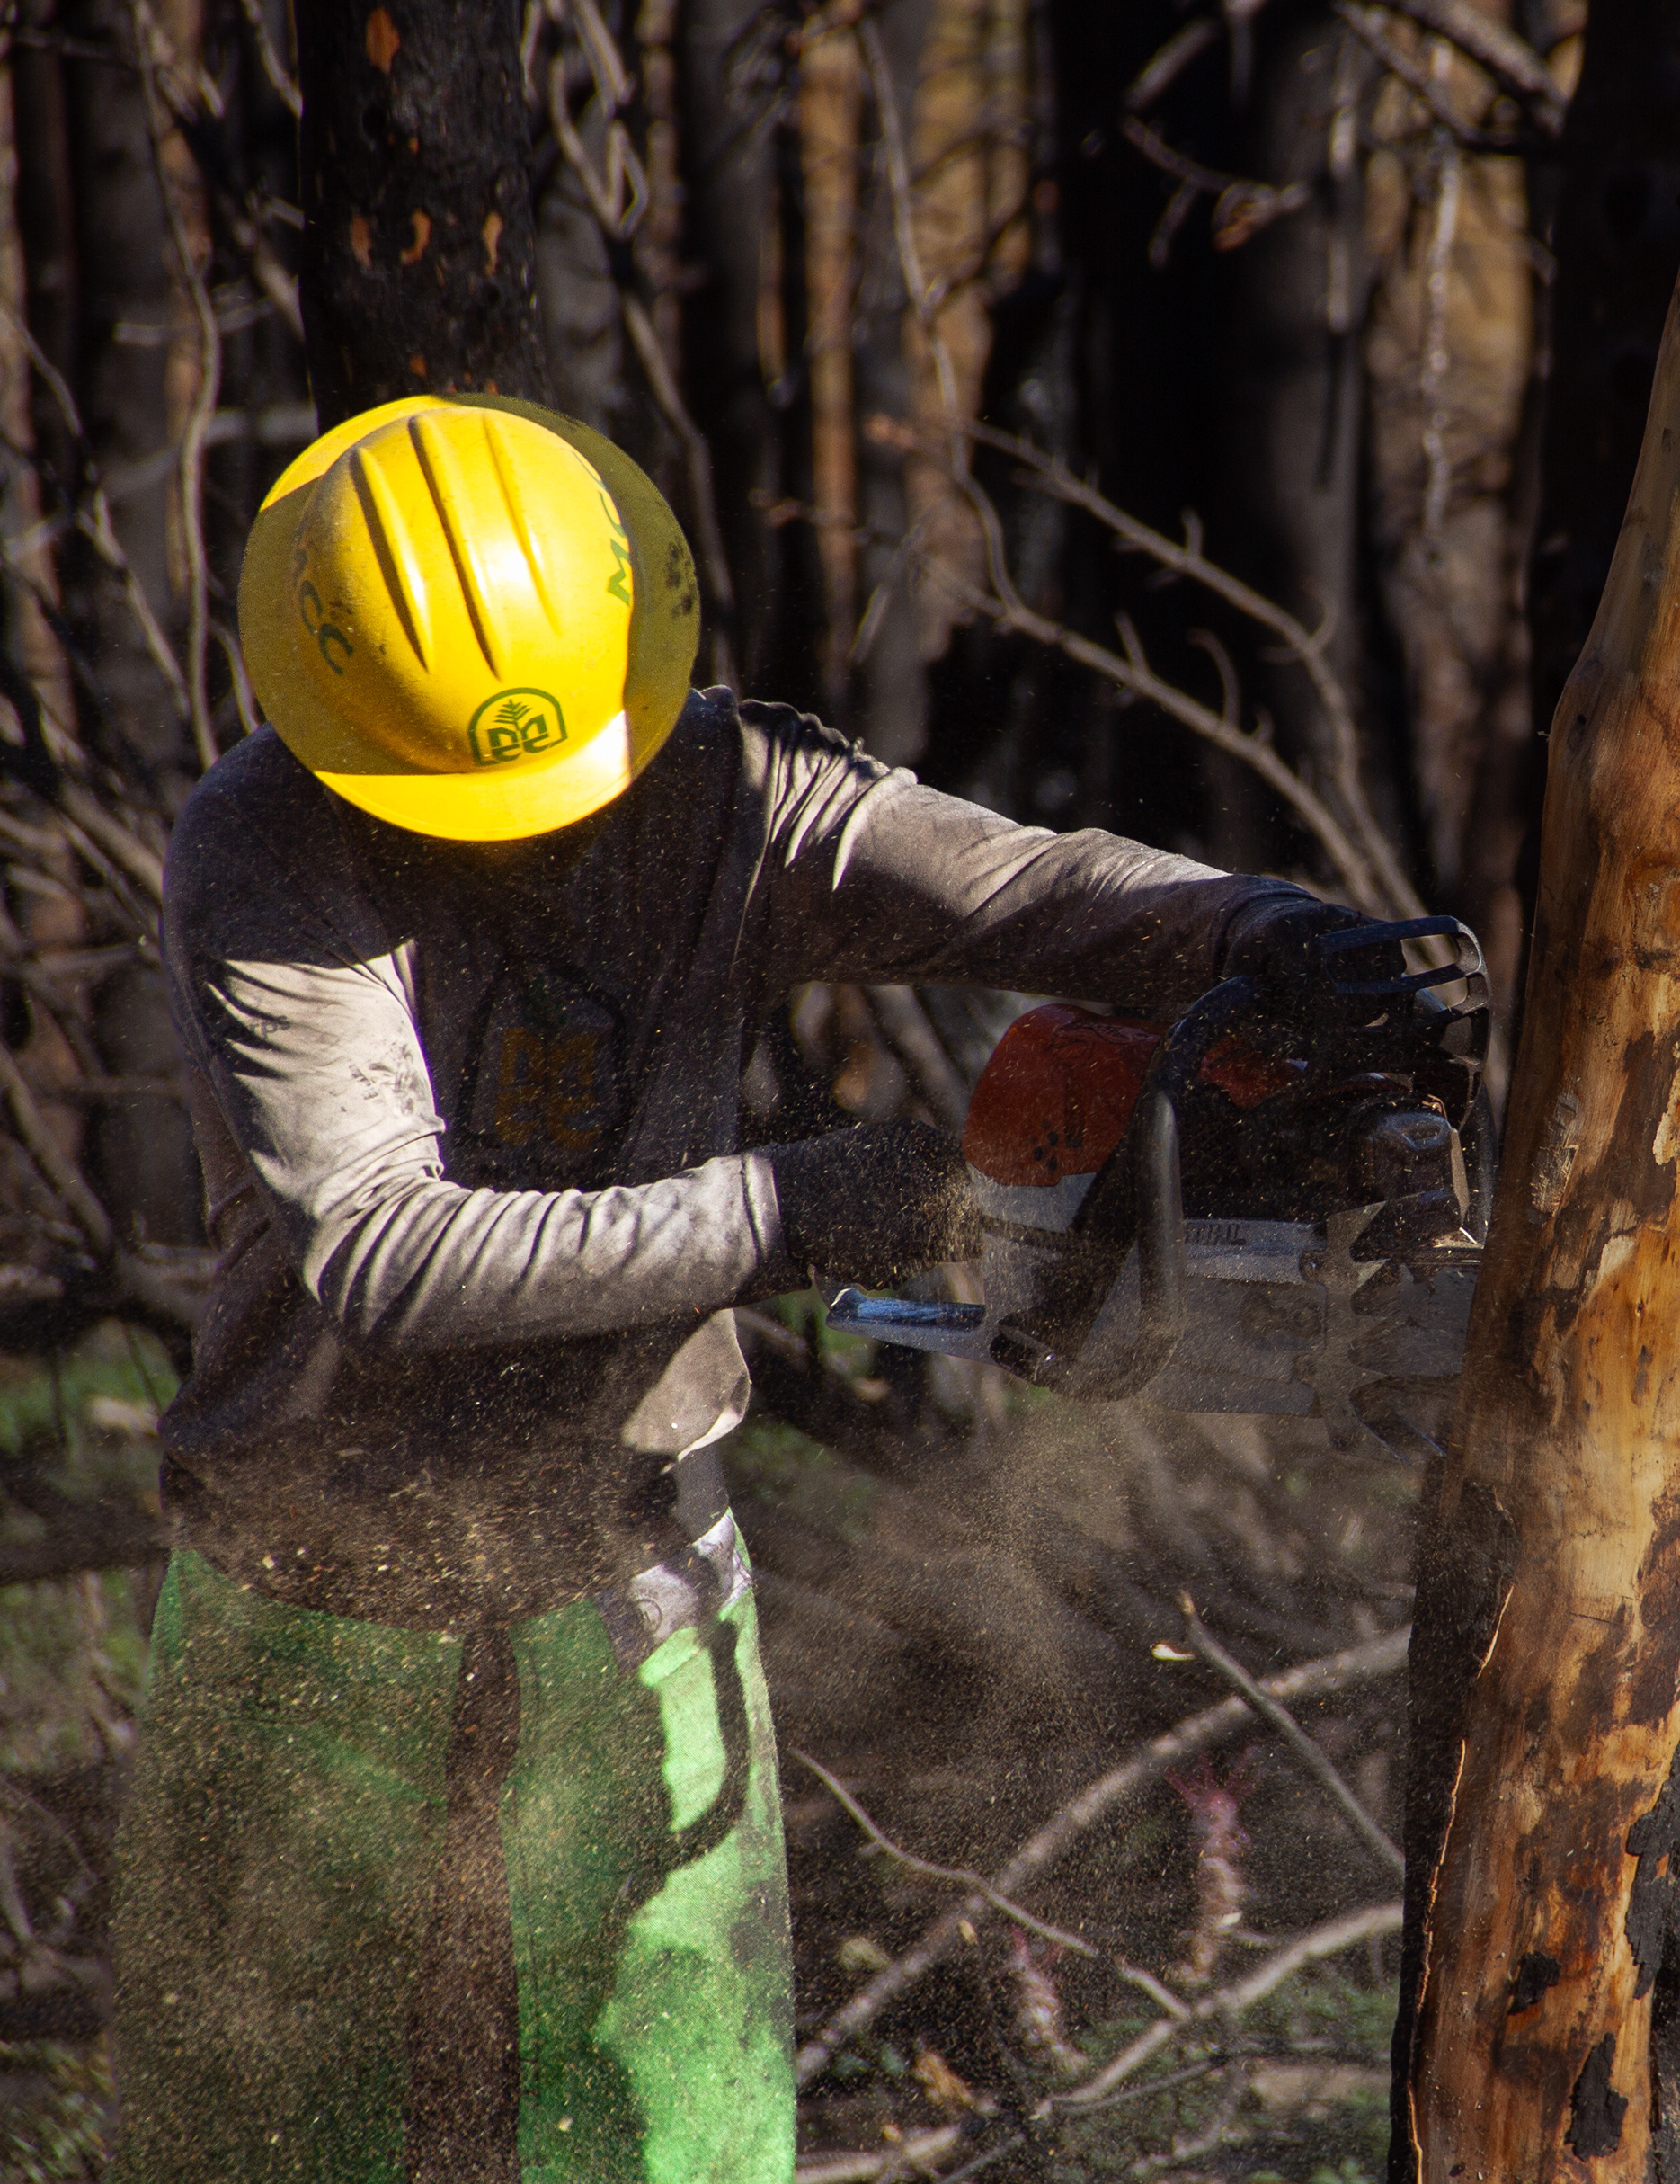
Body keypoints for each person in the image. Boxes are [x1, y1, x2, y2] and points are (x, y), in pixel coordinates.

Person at [110, 392, 1389, 2181]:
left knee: (672, 2122)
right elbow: (383, 1252)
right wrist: (797, 1204)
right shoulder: (266, 849)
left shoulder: (719, 785)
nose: (534, 833)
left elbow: (1019, 888)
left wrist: (1274, 936)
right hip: (312, 1571)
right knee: (255, 2132)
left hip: (635, 1561)